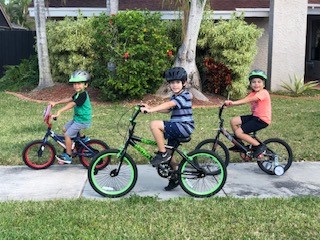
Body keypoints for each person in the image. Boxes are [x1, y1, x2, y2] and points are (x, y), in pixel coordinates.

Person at [140, 67, 194, 191]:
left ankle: (162, 153)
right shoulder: (175, 96)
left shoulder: (185, 95)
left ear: (184, 83)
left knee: (154, 124)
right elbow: (167, 109)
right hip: (177, 126)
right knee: (171, 155)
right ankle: (175, 177)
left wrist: (151, 110)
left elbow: (170, 105)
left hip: (183, 127)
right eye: (172, 83)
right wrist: (150, 107)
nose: (174, 85)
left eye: (177, 82)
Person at [224, 69, 271, 158]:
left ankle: (259, 146)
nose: (256, 84)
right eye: (253, 82)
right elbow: (244, 100)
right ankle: (239, 144)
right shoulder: (253, 93)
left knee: (238, 132)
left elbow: (248, 100)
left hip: (262, 120)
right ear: (250, 84)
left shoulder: (263, 93)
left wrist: (233, 103)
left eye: (259, 82)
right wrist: (229, 105)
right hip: (255, 117)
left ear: (263, 84)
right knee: (233, 121)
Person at [50, 70, 92, 164]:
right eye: (74, 84)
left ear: (86, 85)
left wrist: (59, 111)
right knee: (65, 129)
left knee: (68, 135)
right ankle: (80, 140)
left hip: (82, 120)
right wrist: (56, 103)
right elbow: (69, 99)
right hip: (78, 119)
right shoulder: (78, 94)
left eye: (79, 84)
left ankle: (68, 156)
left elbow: (72, 104)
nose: (76, 86)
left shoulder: (83, 95)